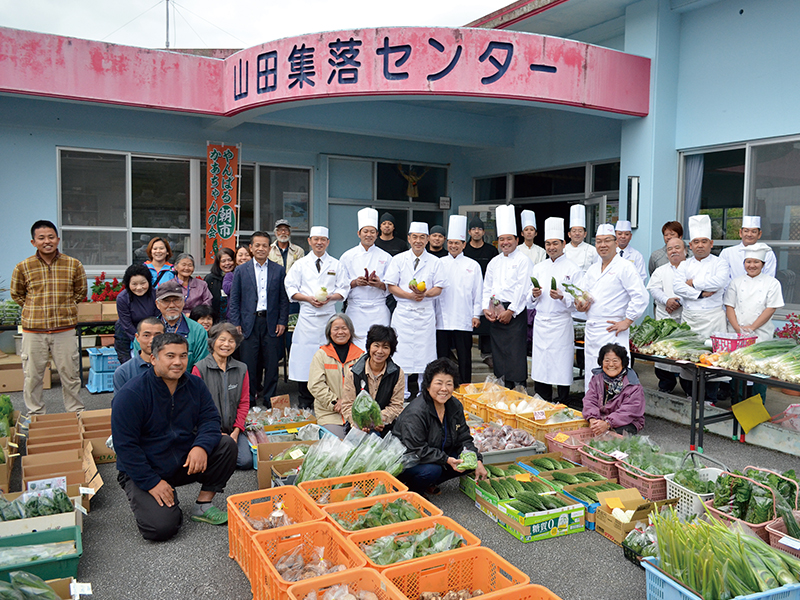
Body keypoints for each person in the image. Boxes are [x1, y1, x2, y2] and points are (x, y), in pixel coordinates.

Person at [112, 333, 237, 541]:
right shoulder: (131, 394)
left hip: (182, 460)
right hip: (145, 468)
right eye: (170, 356)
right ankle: (161, 502)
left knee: (227, 445)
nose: (178, 362)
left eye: (183, 356)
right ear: (154, 358)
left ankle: (203, 506)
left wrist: (201, 448)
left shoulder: (195, 385)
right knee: (161, 529)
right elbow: (126, 447)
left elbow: (210, 419)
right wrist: (152, 482)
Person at [11, 220, 87, 415]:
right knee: (33, 377)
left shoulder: (73, 264)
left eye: (51, 237)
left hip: (65, 330)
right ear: (33, 242)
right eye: (41, 238)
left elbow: (80, 292)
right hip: (33, 332)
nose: (47, 241)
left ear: (58, 239)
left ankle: (75, 413)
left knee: (70, 375)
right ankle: (35, 415)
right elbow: (17, 294)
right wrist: (35, 309)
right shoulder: (23, 267)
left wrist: (65, 308)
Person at [392, 358, 488, 495]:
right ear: (428, 385)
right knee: (432, 470)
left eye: (449, 384)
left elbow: (464, 438)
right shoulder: (416, 412)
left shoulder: (454, 405)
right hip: (409, 460)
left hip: (437, 454)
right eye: (439, 383)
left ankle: (430, 483)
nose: (444, 389)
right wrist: (447, 459)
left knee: (469, 461)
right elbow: (417, 448)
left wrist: (477, 459)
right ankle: (412, 489)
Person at [576, 224, 648, 393]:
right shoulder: (593, 269)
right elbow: (582, 295)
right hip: (592, 330)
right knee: (593, 373)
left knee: (613, 374)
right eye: (599, 241)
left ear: (616, 243)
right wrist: (580, 305)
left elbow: (641, 296)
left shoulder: (625, 267)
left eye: (607, 240)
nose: (603, 245)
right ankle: (593, 410)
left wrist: (628, 321)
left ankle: (613, 414)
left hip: (612, 330)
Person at [285, 226, 348, 409]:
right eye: (316, 239)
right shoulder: (300, 264)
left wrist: (331, 298)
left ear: (328, 242)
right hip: (306, 318)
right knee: (305, 360)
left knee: (328, 360)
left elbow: (344, 288)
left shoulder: (336, 264)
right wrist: (307, 299)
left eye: (323, 240)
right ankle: (304, 403)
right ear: (309, 241)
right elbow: (290, 288)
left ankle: (327, 402)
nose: (319, 243)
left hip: (328, 318)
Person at [227, 231, 290, 407]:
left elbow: (283, 299)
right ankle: (250, 400)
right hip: (248, 323)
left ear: (270, 249)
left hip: (271, 323)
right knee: (249, 363)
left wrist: (282, 321)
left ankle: (270, 399)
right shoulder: (241, 270)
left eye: (265, 246)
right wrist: (236, 323)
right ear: (251, 248)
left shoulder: (279, 270)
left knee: (271, 364)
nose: (261, 249)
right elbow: (235, 300)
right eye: (257, 245)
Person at [673, 215, 730, 404]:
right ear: (690, 244)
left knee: (713, 359)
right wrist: (699, 293)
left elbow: (719, 282)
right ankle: (691, 394)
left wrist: (693, 283)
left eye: (704, 241)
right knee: (688, 357)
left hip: (714, 317)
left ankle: (710, 398)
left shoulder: (720, 263)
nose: (700, 245)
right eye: (696, 242)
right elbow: (677, 287)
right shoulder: (684, 264)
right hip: (690, 317)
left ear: (711, 243)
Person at [384, 222, 445, 399]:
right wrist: (408, 295)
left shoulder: (435, 262)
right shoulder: (399, 260)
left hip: (425, 313)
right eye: (415, 237)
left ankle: (423, 391)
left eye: (422, 237)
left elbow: (439, 287)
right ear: (409, 238)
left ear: (427, 239)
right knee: (400, 353)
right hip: (403, 312)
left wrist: (425, 294)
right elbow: (391, 285)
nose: (418, 241)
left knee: (425, 353)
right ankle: (400, 392)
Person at [527, 217, 581, 403]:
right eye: (548, 244)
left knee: (561, 364)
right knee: (542, 363)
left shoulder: (573, 269)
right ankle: (542, 399)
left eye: (555, 243)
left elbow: (579, 301)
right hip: (542, 322)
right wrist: (534, 294)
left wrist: (562, 296)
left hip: (561, 322)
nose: (551, 247)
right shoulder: (539, 268)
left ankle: (563, 400)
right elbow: (529, 299)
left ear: (563, 244)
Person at [725, 243, 784, 403]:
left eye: (756, 262)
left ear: (763, 264)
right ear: (744, 263)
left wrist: (752, 328)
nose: (752, 265)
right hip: (738, 335)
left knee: (759, 373)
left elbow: (770, 308)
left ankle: (759, 408)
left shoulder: (772, 283)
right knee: (738, 372)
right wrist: (738, 328)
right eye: (748, 262)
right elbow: (729, 306)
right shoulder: (735, 282)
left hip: (761, 335)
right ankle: (736, 406)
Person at [482, 205, 532, 389]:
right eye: (501, 239)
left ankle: (518, 387)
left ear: (516, 240)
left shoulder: (523, 260)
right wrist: (486, 309)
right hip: (496, 311)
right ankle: (501, 387)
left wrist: (511, 310)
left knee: (515, 352)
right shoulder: (494, 262)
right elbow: (487, 286)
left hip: (515, 312)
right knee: (498, 352)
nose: (505, 243)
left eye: (508, 239)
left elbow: (523, 287)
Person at [192, 323, 252, 470]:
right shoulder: (199, 368)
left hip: (233, 429)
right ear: (213, 342)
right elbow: (195, 407)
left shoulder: (241, 368)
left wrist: (237, 430)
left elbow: (244, 402)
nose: (226, 344)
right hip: (208, 430)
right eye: (222, 340)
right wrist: (217, 433)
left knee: (245, 461)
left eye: (231, 341)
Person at [435, 215, 482, 386]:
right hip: (442, 317)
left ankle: (464, 386)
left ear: (464, 244)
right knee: (442, 356)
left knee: (464, 356)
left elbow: (478, 292)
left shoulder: (473, 265)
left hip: (464, 317)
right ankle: (441, 384)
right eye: (451, 243)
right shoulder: (438, 263)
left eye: (457, 243)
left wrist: (476, 314)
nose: (453, 246)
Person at [339, 208, 392, 348]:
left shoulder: (386, 257)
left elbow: (393, 284)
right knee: (355, 347)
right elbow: (340, 284)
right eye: (365, 231)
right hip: (355, 310)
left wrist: (380, 284)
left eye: (372, 232)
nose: (369, 235)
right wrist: (355, 283)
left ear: (377, 234)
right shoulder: (347, 256)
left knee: (379, 346)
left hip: (379, 310)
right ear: (358, 233)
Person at [341, 325, 405, 434]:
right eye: (376, 345)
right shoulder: (354, 372)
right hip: (357, 429)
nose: (380, 351)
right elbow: (347, 405)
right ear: (369, 347)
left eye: (385, 347)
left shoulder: (397, 373)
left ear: (391, 350)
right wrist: (359, 423)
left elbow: (396, 406)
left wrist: (379, 420)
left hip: (386, 428)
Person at [308, 314, 364, 439]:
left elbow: (365, 385)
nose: (340, 332)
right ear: (329, 332)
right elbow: (315, 385)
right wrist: (334, 402)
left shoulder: (360, 356)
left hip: (355, 412)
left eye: (344, 328)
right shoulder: (321, 355)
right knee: (336, 444)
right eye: (336, 329)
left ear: (350, 331)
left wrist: (350, 404)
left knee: (361, 445)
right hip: (329, 413)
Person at [647, 237, 691, 394]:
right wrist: (667, 300)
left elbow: (699, 288)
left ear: (685, 249)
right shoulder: (661, 270)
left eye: (677, 247)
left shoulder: (692, 267)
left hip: (686, 317)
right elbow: (654, 289)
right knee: (663, 355)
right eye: (670, 249)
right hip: (665, 316)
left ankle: (689, 390)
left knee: (685, 356)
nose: (674, 251)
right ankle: (665, 385)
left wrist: (678, 302)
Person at [136, 279, 208, 372]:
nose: (172, 305)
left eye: (176, 300)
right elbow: (141, 364)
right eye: (166, 301)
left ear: (183, 302)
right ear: (157, 304)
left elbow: (200, 367)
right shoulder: (145, 330)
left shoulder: (198, 331)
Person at [582, 343, 645, 435]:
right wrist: (593, 419)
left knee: (610, 437)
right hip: (600, 419)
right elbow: (590, 400)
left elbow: (629, 411)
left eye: (615, 361)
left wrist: (608, 423)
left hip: (626, 422)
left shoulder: (632, 384)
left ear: (623, 363)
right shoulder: (597, 378)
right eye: (607, 361)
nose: (611, 364)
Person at [463, 215, 498, 366]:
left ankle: (487, 353)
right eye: (473, 229)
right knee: (465, 321)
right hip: (465, 291)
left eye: (479, 229)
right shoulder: (464, 250)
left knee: (486, 321)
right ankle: (462, 351)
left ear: (484, 232)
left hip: (486, 291)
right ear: (469, 232)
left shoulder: (491, 250)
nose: (476, 232)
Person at [114, 263, 159, 365]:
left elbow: (158, 319)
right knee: (129, 364)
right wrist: (140, 339)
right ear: (128, 284)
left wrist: (148, 338)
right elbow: (126, 323)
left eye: (143, 283)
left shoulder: (156, 295)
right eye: (134, 284)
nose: (139, 287)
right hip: (127, 331)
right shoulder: (122, 298)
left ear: (149, 281)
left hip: (152, 330)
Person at [113, 317, 164, 394]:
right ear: (137, 337)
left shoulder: (173, 367)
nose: (152, 341)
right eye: (146, 335)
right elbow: (121, 404)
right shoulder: (124, 372)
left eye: (158, 336)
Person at [719, 216, 777, 281]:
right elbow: (723, 278)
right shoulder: (727, 253)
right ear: (740, 233)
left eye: (754, 232)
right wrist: (734, 289)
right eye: (746, 231)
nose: (749, 234)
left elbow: (769, 278)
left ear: (759, 234)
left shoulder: (767, 253)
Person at [563, 204, 598, 273]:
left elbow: (596, 269)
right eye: (574, 231)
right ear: (569, 234)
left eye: (580, 231)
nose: (577, 233)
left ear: (585, 234)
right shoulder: (563, 250)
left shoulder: (592, 250)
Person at [205, 248, 235, 322]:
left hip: (234, 320)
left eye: (230, 260)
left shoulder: (239, 277)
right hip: (215, 320)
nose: (227, 263)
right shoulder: (210, 279)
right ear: (218, 263)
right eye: (223, 261)